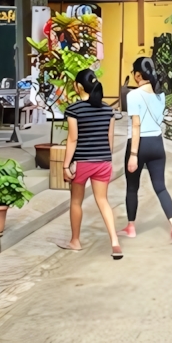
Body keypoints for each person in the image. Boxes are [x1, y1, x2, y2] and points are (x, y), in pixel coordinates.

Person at [61, 68, 122, 258]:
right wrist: (103, 156)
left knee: (76, 201)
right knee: (103, 201)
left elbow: (72, 139)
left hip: (82, 162)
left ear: (78, 87)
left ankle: (75, 241)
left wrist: (65, 165)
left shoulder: (74, 109)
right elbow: (110, 139)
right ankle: (115, 242)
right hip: (103, 161)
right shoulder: (108, 110)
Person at [119, 57, 172, 244]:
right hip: (157, 143)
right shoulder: (160, 95)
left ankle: (131, 227)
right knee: (160, 187)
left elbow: (136, 126)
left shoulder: (133, 95)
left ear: (138, 75)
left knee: (132, 187)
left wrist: (134, 155)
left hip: (139, 144)